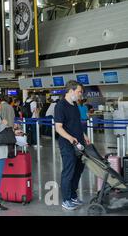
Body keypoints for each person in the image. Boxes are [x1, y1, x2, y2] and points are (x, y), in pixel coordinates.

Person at [54, 80, 91, 211]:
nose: (81, 94)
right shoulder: (60, 106)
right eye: (79, 91)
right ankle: (66, 199)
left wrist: (84, 135)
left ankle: (73, 195)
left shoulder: (74, 104)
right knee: (68, 172)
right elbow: (58, 128)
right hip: (67, 144)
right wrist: (70, 138)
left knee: (78, 170)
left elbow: (77, 123)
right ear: (71, 91)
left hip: (79, 143)